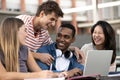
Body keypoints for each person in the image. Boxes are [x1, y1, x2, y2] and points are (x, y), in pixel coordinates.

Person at [16, 1, 84, 66]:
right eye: (52, 19)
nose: (53, 24)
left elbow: (55, 48)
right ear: (42, 14)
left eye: (55, 21)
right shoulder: (21, 22)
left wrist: (74, 48)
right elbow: (10, 49)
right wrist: (39, 56)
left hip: (28, 69)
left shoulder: (44, 33)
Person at [0, 17, 65, 80]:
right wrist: (36, 75)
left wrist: (57, 75)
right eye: (25, 30)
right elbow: (3, 76)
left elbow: (39, 72)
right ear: (14, 32)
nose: (26, 34)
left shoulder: (25, 50)